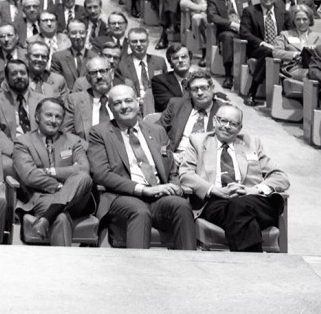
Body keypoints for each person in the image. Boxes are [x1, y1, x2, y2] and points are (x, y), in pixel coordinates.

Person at [87, 83, 195, 250]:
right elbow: (101, 174)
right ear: (110, 107)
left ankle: (189, 266)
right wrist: (142, 189)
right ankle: (138, 270)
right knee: (139, 211)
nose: (124, 106)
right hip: (122, 197)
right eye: (117, 103)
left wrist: (175, 188)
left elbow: (171, 169)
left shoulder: (157, 131)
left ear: (137, 102)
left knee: (181, 205)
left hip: (159, 196)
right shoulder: (99, 133)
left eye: (128, 101)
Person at [176, 103, 287, 252]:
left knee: (239, 206)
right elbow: (186, 174)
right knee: (238, 207)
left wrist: (253, 190)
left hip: (254, 201)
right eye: (223, 121)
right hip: (217, 202)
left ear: (240, 128)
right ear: (215, 121)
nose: (227, 126)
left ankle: (246, 265)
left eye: (233, 123)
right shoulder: (198, 141)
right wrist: (214, 190)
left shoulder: (252, 143)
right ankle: (255, 262)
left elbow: (280, 177)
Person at [12, 96, 95, 245]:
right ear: (37, 116)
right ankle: (61, 265)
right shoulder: (23, 142)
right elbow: (29, 176)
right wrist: (61, 186)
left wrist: (49, 171)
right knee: (60, 218)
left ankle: (45, 218)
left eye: (58, 117)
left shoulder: (73, 141)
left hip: (77, 201)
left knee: (83, 176)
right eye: (49, 115)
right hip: (42, 197)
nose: (53, 120)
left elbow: (83, 168)